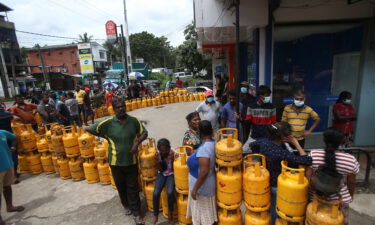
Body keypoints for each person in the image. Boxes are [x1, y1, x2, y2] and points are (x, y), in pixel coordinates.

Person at [85, 97, 147, 225]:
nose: (121, 109)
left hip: (131, 161)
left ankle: (137, 213)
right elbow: (89, 129)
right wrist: (105, 136)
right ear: (113, 109)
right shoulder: (108, 123)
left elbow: (144, 133)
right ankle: (126, 205)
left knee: (133, 187)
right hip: (115, 162)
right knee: (121, 186)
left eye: (122, 106)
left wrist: (136, 143)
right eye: (118, 107)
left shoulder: (133, 121)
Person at [250, 122, 312, 224]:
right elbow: (307, 160)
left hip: (264, 181)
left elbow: (253, 145)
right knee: (275, 209)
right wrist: (296, 143)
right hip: (276, 186)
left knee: (267, 206)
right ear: (284, 138)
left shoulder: (264, 142)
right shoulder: (281, 153)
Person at [308, 128, 359, 224]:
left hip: (315, 199)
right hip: (340, 200)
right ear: (341, 141)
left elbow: (308, 178)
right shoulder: (351, 160)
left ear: (324, 140)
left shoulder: (314, 154)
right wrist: (350, 196)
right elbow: (351, 182)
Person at [186, 120, 217, 225]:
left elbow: (204, 171)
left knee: (204, 216)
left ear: (200, 132)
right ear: (211, 131)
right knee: (206, 214)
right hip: (208, 183)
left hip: (202, 187)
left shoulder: (204, 149)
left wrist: (195, 189)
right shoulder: (214, 143)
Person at [0, 129, 24, 225]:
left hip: (8, 165)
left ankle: (9, 206)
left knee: (7, 186)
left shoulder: (2, 132)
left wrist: (13, 148)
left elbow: (14, 138)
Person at [242, 85, 276, 154]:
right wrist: (241, 119)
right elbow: (248, 121)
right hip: (254, 136)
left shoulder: (272, 107)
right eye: (267, 96)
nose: (268, 98)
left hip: (267, 138)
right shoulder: (251, 106)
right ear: (260, 96)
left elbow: (273, 122)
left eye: (269, 95)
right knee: (243, 151)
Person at [153, 138, 175, 225]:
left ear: (169, 148)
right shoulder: (157, 154)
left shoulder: (173, 152)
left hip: (171, 174)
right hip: (162, 174)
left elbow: (177, 168)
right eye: (162, 151)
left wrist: (173, 159)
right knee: (155, 193)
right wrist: (157, 161)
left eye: (165, 150)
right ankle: (156, 216)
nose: (164, 152)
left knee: (170, 192)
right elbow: (160, 170)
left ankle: (171, 216)